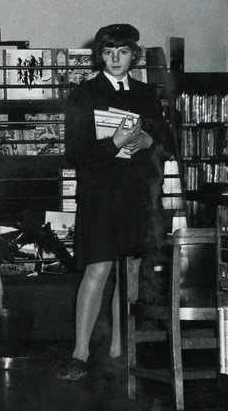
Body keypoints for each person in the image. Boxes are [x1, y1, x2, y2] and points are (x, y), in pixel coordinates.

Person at [59, 23, 168, 381]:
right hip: (101, 194)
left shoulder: (146, 93)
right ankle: (80, 353)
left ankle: (122, 350)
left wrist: (149, 140)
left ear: (134, 55)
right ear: (99, 55)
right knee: (99, 268)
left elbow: (165, 142)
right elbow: (74, 152)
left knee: (132, 270)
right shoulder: (84, 94)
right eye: (108, 52)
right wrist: (114, 143)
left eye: (122, 52)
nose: (115, 59)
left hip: (136, 193)